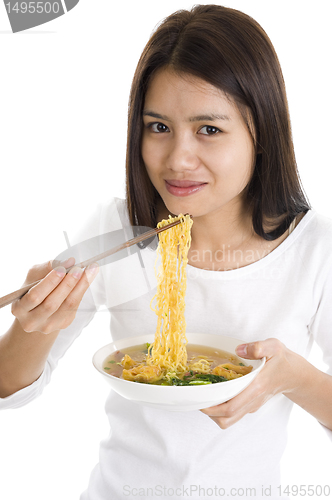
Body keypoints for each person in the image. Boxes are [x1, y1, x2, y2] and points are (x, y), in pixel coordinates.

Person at [1, 4, 331, 499]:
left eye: (209, 130)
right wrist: (32, 325)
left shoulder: (314, 249)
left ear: (262, 134)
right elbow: (9, 390)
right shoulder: (117, 232)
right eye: (158, 127)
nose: (177, 159)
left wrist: (294, 379)